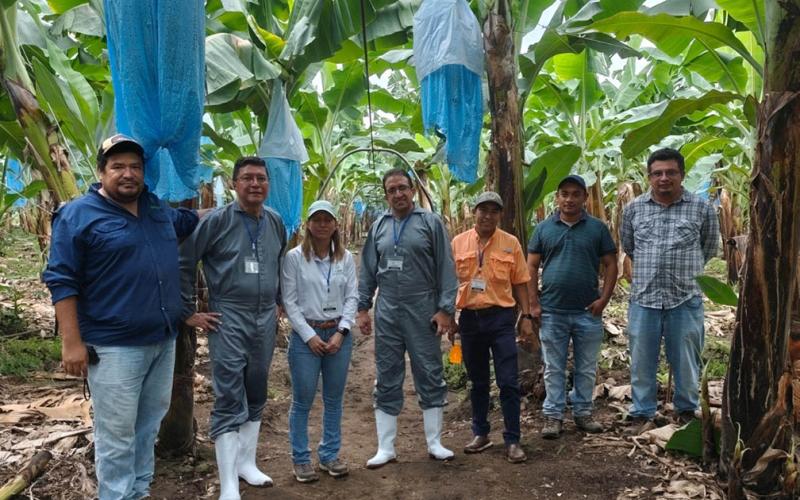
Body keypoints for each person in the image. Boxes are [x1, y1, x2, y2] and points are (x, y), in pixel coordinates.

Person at [43, 134, 200, 500]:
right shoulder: (77, 214)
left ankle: (139, 492)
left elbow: (190, 220)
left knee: (147, 429)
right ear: (101, 172)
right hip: (114, 348)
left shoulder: (157, 209)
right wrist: (72, 344)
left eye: (135, 166)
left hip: (162, 342)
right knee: (116, 436)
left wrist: (239, 204)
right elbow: (61, 280)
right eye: (118, 166)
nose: (128, 174)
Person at [179, 157, 286, 500]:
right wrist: (189, 312)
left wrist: (280, 301)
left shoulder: (275, 221)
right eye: (247, 178)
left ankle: (247, 464)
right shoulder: (217, 220)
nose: (255, 184)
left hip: (265, 317)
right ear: (234, 183)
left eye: (261, 178)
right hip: (228, 315)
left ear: (268, 184)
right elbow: (184, 261)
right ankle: (228, 485)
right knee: (228, 393)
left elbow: (278, 263)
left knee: (256, 387)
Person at [356, 168, 458, 468]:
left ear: (412, 190)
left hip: (422, 306)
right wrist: (363, 308)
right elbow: (368, 270)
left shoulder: (430, 222)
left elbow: (446, 268)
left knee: (428, 369)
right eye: (391, 190)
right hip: (387, 307)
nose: (398, 194)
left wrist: (445, 309)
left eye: (402, 188)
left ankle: (435, 442)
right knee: (387, 372)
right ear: (385, 195)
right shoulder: (379, 227)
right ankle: (385, 447)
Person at [621, 148, 719, 427]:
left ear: (682, 175)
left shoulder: (701, 208)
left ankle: (686, 410)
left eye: (671, 172)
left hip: (685, 298)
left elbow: (709, 248)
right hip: (644, 298)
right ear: (649, 177)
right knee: (641, 360)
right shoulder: (634, 209)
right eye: (658, 173)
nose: (664, 178)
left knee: (687, 360)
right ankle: (643, 411)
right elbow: (629, 246)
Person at [527, 175, 618, 439]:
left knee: (586, 366)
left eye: (575, 194)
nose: (569, 199)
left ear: (584, 198)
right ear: (557, 197)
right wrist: (533, 303)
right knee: (554, 367)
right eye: (564, 193)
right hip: (552, 310)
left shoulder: (597, 229)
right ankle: (553, 416)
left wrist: (604, 298)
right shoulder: (544, 228)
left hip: (587, 311)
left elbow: (611, 264)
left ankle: (582, 413)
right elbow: (531, 266)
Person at [451, 191, 532, 463]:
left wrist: (528, 316)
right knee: (478, 381)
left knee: (508, 380)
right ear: (474, 212)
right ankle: (481, 433)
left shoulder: (511, 243)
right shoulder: (458, 243)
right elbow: (449, 284)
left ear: (500, 214)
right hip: (470, 319)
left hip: (501, 317)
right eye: (482, 210)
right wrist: (450, 317)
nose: (487, 215)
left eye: (493, 211)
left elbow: (521, 281)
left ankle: (512, 439)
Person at [281, 200, 358, 483]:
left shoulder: (345, 258)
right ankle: (301, 459)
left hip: (338, 334)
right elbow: (289, 301)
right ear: (308, 225)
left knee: (334, 400)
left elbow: (352, 297)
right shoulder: (294, 258)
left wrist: (342, 331)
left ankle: (329, 455)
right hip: (306, 337)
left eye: (328, 219)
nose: (322, 224)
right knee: (302, 401)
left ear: (336, 224)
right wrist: (310, 336)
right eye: (317, 219)